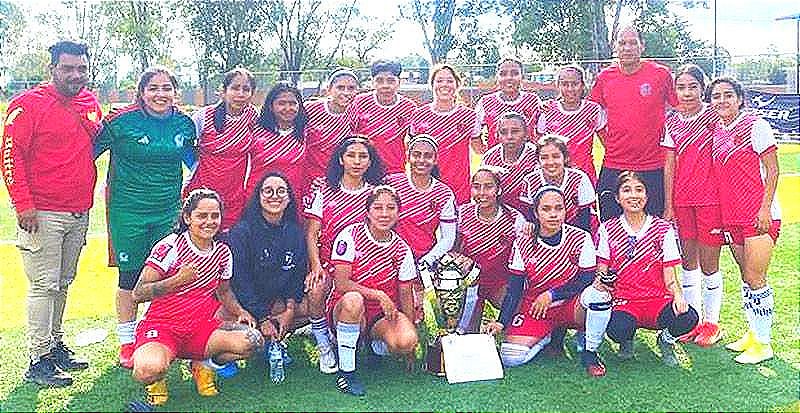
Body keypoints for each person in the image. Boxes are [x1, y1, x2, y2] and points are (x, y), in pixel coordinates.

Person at [1, 40, 100, 387]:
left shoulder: (89, 102)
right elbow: (10, 155)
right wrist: (24, 204)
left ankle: (55, 345)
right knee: (43, 286)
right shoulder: (28, 105)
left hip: (78, 210)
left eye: (81, 68)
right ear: (52, 69)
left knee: (63, 282)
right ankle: (37, 359)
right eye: (68, 68)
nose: (76, 75)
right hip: (41, 212)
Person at [94, 66, 196, 369]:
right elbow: (84, 153)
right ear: (141, 92)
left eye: (167, 88)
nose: (160, 94)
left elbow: (196, 163)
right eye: (153, 88)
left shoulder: (185, 124)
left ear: (175, 93)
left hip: (169, 211)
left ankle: (158, 335)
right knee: (130, 274)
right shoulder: (120, 122)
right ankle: (127, 342)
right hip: (128, 210)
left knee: (165, 275)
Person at [130, 189, 262, 406]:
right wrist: (178, 280)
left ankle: (203, 364)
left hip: (201, 329)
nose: (209, 221)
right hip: (163, 327)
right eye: (202, 215)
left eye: (215, 215)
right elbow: (138, 292)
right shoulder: (170, 246)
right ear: (187, 217)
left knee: (254, 342)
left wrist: (240, 312)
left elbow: (224, 291)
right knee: (147, 370)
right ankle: (157, 380)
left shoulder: (223, 252)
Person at [484, 186, 608, 376]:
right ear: (536, 212)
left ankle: (590, 352)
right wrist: (502, 321)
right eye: (546, 209)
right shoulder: (523, 241)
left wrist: (552, 294)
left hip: (570, 305)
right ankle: (548, 335)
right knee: (511, 358)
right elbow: (515, 288)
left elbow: (586, 278)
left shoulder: (581, 238)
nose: (553, 214)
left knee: (599, 295)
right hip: (536, 307)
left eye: (559, 208)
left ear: (566, 210)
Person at [708, 77, 780, 364]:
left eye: (728, 95)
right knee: (745, 277)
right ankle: (753, 333)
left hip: (758, 214)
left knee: (756, 277)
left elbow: (773, 171)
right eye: (716, 96)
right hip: (732, 215)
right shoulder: (717, 129)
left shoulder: (756, 125)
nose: (722, 100)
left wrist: (765, 209)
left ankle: (764, 343)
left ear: (739, 98)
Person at [593, 171, 698, 366]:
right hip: (624, 301)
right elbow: (602, 270)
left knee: (688, 317)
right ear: (617, 197)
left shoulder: (663, 229)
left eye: (639, 190)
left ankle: (665, 340)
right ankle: (626, 340)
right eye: (626, 190)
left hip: (656, 300)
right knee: (617, 328)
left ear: (647, 195)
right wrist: (601, 290)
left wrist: (678, 296)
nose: (633, 195)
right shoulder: (607, 229)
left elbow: (670, 276)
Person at [303, 137, 385, 374]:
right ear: (341, 159)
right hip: (329, 264)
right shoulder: (323, 189)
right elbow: (311, 233)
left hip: (363, 266)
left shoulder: (375, 193)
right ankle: (323, 343)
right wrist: (316, 266)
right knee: (316, 288)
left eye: (363, 156)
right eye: (351, 155)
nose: (356, 162)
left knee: (357, 310)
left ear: (370, 162)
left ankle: (366, 340)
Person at [328, 186, 419, 396]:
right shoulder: (349, 235)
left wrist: (410, 345)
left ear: (398, 213)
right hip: (347, 308)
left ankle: (372, 345)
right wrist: (378, 294)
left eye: (391, 208)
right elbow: (341, 284)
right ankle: (347, 372)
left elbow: (406, 293)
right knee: (353, 300)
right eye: (378, 207)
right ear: (367, 211)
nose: (384, 213)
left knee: (405, 340)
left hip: (381, 314)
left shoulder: (402, 248)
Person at [661, 64, 724, 347]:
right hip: (682, 201)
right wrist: (669, 204)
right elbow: (669, 164)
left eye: (693, 87)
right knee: (688, 263)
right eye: (681, 87)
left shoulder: (713, 116)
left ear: (703, 88)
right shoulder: (671, 121)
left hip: (711, 200)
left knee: (710, 264)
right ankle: (693, 321)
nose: (686, 93)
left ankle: (712, 323)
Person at [589, 26, 677, 220]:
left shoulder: (660, 74)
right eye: (622, 43)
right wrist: (609, 142)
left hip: (652, 166)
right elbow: (591, 116)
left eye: (632, 42)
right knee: (611, 229)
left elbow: (679, 110)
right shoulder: (605, 78)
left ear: (642, 46)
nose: (627, 48)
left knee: (653, 230)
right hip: (614, 164)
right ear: (615, 47)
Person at [226, 172, 308, 360]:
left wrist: (289, 309)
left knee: (312, 307)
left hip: (274, 301)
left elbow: (297, 275)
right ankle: (214, 356)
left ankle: (273, 340)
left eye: (281, 191)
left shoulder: (295, 232)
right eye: (268, 191)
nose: (274, 196)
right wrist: (262, 318)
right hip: (243, 304)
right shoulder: (242, 232)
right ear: (258, 197)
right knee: (244, 336)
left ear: (288, 199)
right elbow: (240, 281)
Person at [447, 167, 527, 331]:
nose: (482, 192)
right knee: (466, 334)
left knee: (519, 310)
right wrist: (459, 260)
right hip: (469, 283)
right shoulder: (462, 213)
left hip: (499, 283)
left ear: (499, 190)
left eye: (488, 187)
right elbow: (450, 250)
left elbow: (524, 259)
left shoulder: (514, 219)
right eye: (477, 186)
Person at [185, 68, 258, 230]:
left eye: (246, 89)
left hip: (235, 194)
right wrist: (195, 164)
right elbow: (183, 146)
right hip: (202, 188)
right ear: (223, 91)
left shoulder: (253, 116)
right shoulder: (204, 116)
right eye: (235, 88)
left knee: (229, 242)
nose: (240, 94)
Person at [410, 64, 481, 204]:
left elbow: (479, 150)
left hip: (459, 188)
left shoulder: (470, 116)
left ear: (457, 85)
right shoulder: (418, 115)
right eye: (439, 80)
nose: (444, 85)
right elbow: (412, 153)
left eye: (449, 81)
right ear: (432, 84)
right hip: (425, 187)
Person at [383, 134, 457, 264]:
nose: (422, 160)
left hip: (425, 259)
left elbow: (448, 238)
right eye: (416, 155)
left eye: (428, 156)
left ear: (435, 160)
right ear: (408, 157)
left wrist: (426, 262)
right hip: (390, 258)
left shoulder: (444, 194)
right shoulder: (391, 183)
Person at [537, 64, 606, 184]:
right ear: (558, 86)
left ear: (583, 85)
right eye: (564, 84)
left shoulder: (593, 110)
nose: (570, 89)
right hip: (553, 176)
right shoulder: (548, 110)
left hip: (585, 175)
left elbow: (607, 143)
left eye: (574, 84)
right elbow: (538, 145)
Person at [346, 59, 416, 174]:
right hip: (362, 171)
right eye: (379, 80)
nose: (385, 85)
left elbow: (416, 143)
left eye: (390, 80)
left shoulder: (409, 108)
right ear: (372, 82)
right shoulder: (359, 102)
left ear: (399, 82)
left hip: (395, 171)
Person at [248, 82, 307, 207]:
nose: (287, 108)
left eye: (292, 103)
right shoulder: (254, 130)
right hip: (258, 199)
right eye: (281, 103)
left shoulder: (307, 134)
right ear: (271, 106)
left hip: (292, 201)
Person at [520, 135, 595, 233]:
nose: (550, 162)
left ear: (565, 158)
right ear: (538, 160)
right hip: (543, 233)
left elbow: (585, 220)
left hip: (575, 230)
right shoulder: (530, 180)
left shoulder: (579, 179)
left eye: (556, 156)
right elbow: (530, 218)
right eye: (544, 157)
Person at [474, 57, 543, 151]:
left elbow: (542, 134)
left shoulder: (533, 100)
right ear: (497, 77)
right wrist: (487, 153)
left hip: (527, 163)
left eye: (514, 73)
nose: (509, 78)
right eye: (503, 74)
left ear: (522, 77)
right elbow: (475, 135)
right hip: (496, 163)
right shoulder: (485, 102)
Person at [306, 68, 360, 181]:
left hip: (338, 175)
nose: (346, 92)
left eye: (351, 88)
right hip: (310, 174)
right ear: (329, 89)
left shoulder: (356, 111)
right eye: (340, 88)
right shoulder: (310, 109)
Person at [480, 111, 540, 213]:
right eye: (503, 132)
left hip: (532, 215)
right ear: (497, 135)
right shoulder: (489, 158)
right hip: (501, 214)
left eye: (515, 131)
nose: (509, 137)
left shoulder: (536, 156)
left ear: (526, 134)